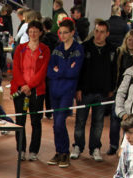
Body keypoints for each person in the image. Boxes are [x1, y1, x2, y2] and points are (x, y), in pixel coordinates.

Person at [73, 20, 116, 161]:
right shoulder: (84, 47)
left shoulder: (111, 49)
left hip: (102, 92)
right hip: (85, 90)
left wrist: (111, 88)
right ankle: (78, 146)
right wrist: (78, 88)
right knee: (80, 120)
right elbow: (79, 70)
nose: (98, 35)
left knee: (98, 122)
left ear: (107, 34)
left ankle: (95, 147)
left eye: (102, 32)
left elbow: (113, 70)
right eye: (97, 31)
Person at [45, 19, 83, 167]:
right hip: (54, 90)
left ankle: (65, 152)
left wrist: (59, 70)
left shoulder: (78, 49)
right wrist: (64, 70)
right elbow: (50, 71)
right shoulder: (57, 49)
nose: (62, 35)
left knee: (60, 122)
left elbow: (74, 72)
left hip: (67, 91)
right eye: (60, 32)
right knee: (56, 124)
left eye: (65, 32)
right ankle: (59, 151)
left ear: (72, 32)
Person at [11, 20, 49, 161]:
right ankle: (20, 150)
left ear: (40, 32)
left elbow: (42, 71)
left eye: (35, 31)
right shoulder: (20, 49)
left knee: (35, 121)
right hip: (20, 90)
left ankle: (33, 151)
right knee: (20, 120)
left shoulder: (45, 49)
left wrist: (30, 86)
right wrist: (23, 86)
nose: (33, 34)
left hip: (37, 91)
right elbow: (16, 69)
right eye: (30, 31)